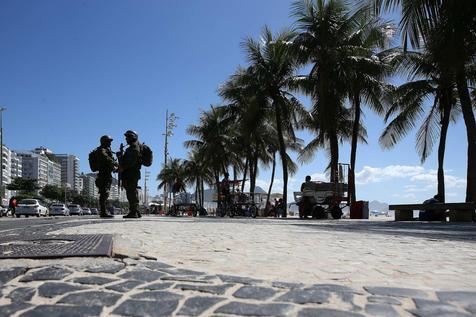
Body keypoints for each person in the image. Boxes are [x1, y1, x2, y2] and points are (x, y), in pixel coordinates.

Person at [119, 130, 143, 218]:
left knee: (131, 192)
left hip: (131, 173)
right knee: (132, 191)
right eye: (126, 137)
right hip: (131, 173)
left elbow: (132, 161)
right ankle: (135, 211)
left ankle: (133, 212)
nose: (126, 139)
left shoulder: (134, 147)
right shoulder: (133, 147)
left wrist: (123, 167)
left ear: (133, 137)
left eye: (128, 137)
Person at [95, 135, 118, 218]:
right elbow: (106, 158)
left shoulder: (107, 150)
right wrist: (115, 164)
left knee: (105, 193)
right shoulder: (102, 150)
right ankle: (103, 212)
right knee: (104, 193)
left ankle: (103, 211)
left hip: (107, 174)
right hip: (103, 175)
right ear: (104, 142)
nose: (110, 143)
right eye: (109, 141)